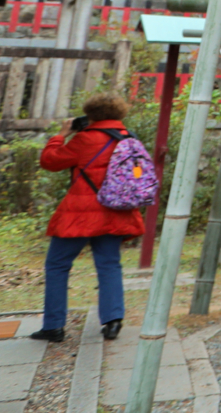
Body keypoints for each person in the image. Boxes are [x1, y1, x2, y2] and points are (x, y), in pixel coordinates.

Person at [33, 94, 144, 343]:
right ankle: (113, 321)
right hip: (116, 211)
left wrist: (61, 134)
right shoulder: (129, 138)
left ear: (90, 115)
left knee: (57, 265)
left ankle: (53, 326)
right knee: (109, 265)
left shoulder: (84, 139)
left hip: (80, 214)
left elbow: (50, 161)